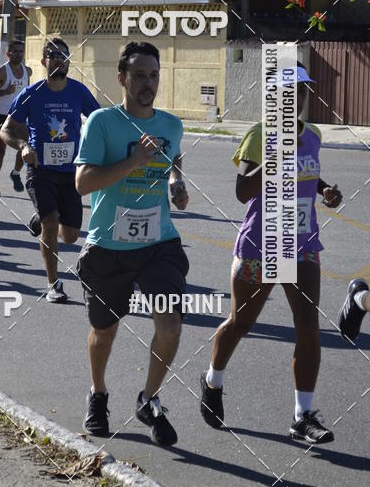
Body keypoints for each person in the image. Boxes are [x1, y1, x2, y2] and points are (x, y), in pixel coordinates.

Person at [200, 62, 342, 445]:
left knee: (308, 327)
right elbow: (243, 190)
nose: (297, 97)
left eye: (302, 90)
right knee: (240, 323)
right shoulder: (260, 134)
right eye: (289, 91)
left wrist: (327, 190)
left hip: (302, 244)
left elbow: (307, 173)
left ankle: (302, 416)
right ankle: (213, 380)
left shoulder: (312, 134)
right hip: (261, 247)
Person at [74, 41, 189, 447]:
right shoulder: (103, 122)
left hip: (159, 242)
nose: (147, 83)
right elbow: (83, 182)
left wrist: (177, 184)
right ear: (122, 78)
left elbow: (174, 161)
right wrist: (132, 163)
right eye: (139, 75)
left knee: (171, 326)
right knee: (104, 332)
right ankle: (98, 393)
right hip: (108, 245)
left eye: (154, 75)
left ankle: (149, 399)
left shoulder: (171, 125)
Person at [1, 38, 99, 303]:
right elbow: (6, 130)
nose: (59, 59)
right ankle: (53, 284)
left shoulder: (79, 92)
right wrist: (22, 146)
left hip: (71, 172)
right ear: (44, 61)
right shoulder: (32, 93)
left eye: (63, 55)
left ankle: (39, 218)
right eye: (53, 55)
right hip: (40, 170)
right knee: (50, 221)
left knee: (70, 236)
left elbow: (100, 120)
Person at [0, 39, 32, 197]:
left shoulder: (27, 71)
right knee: (0, 151)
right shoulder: (2, 71)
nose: (19, 54)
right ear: (8, 54)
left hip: (19, 116)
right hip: (2, 115)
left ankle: (15, 173)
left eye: (21, 51)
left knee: (24, 145)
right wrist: (5, 91)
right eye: (15, 51)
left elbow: (27, 93)